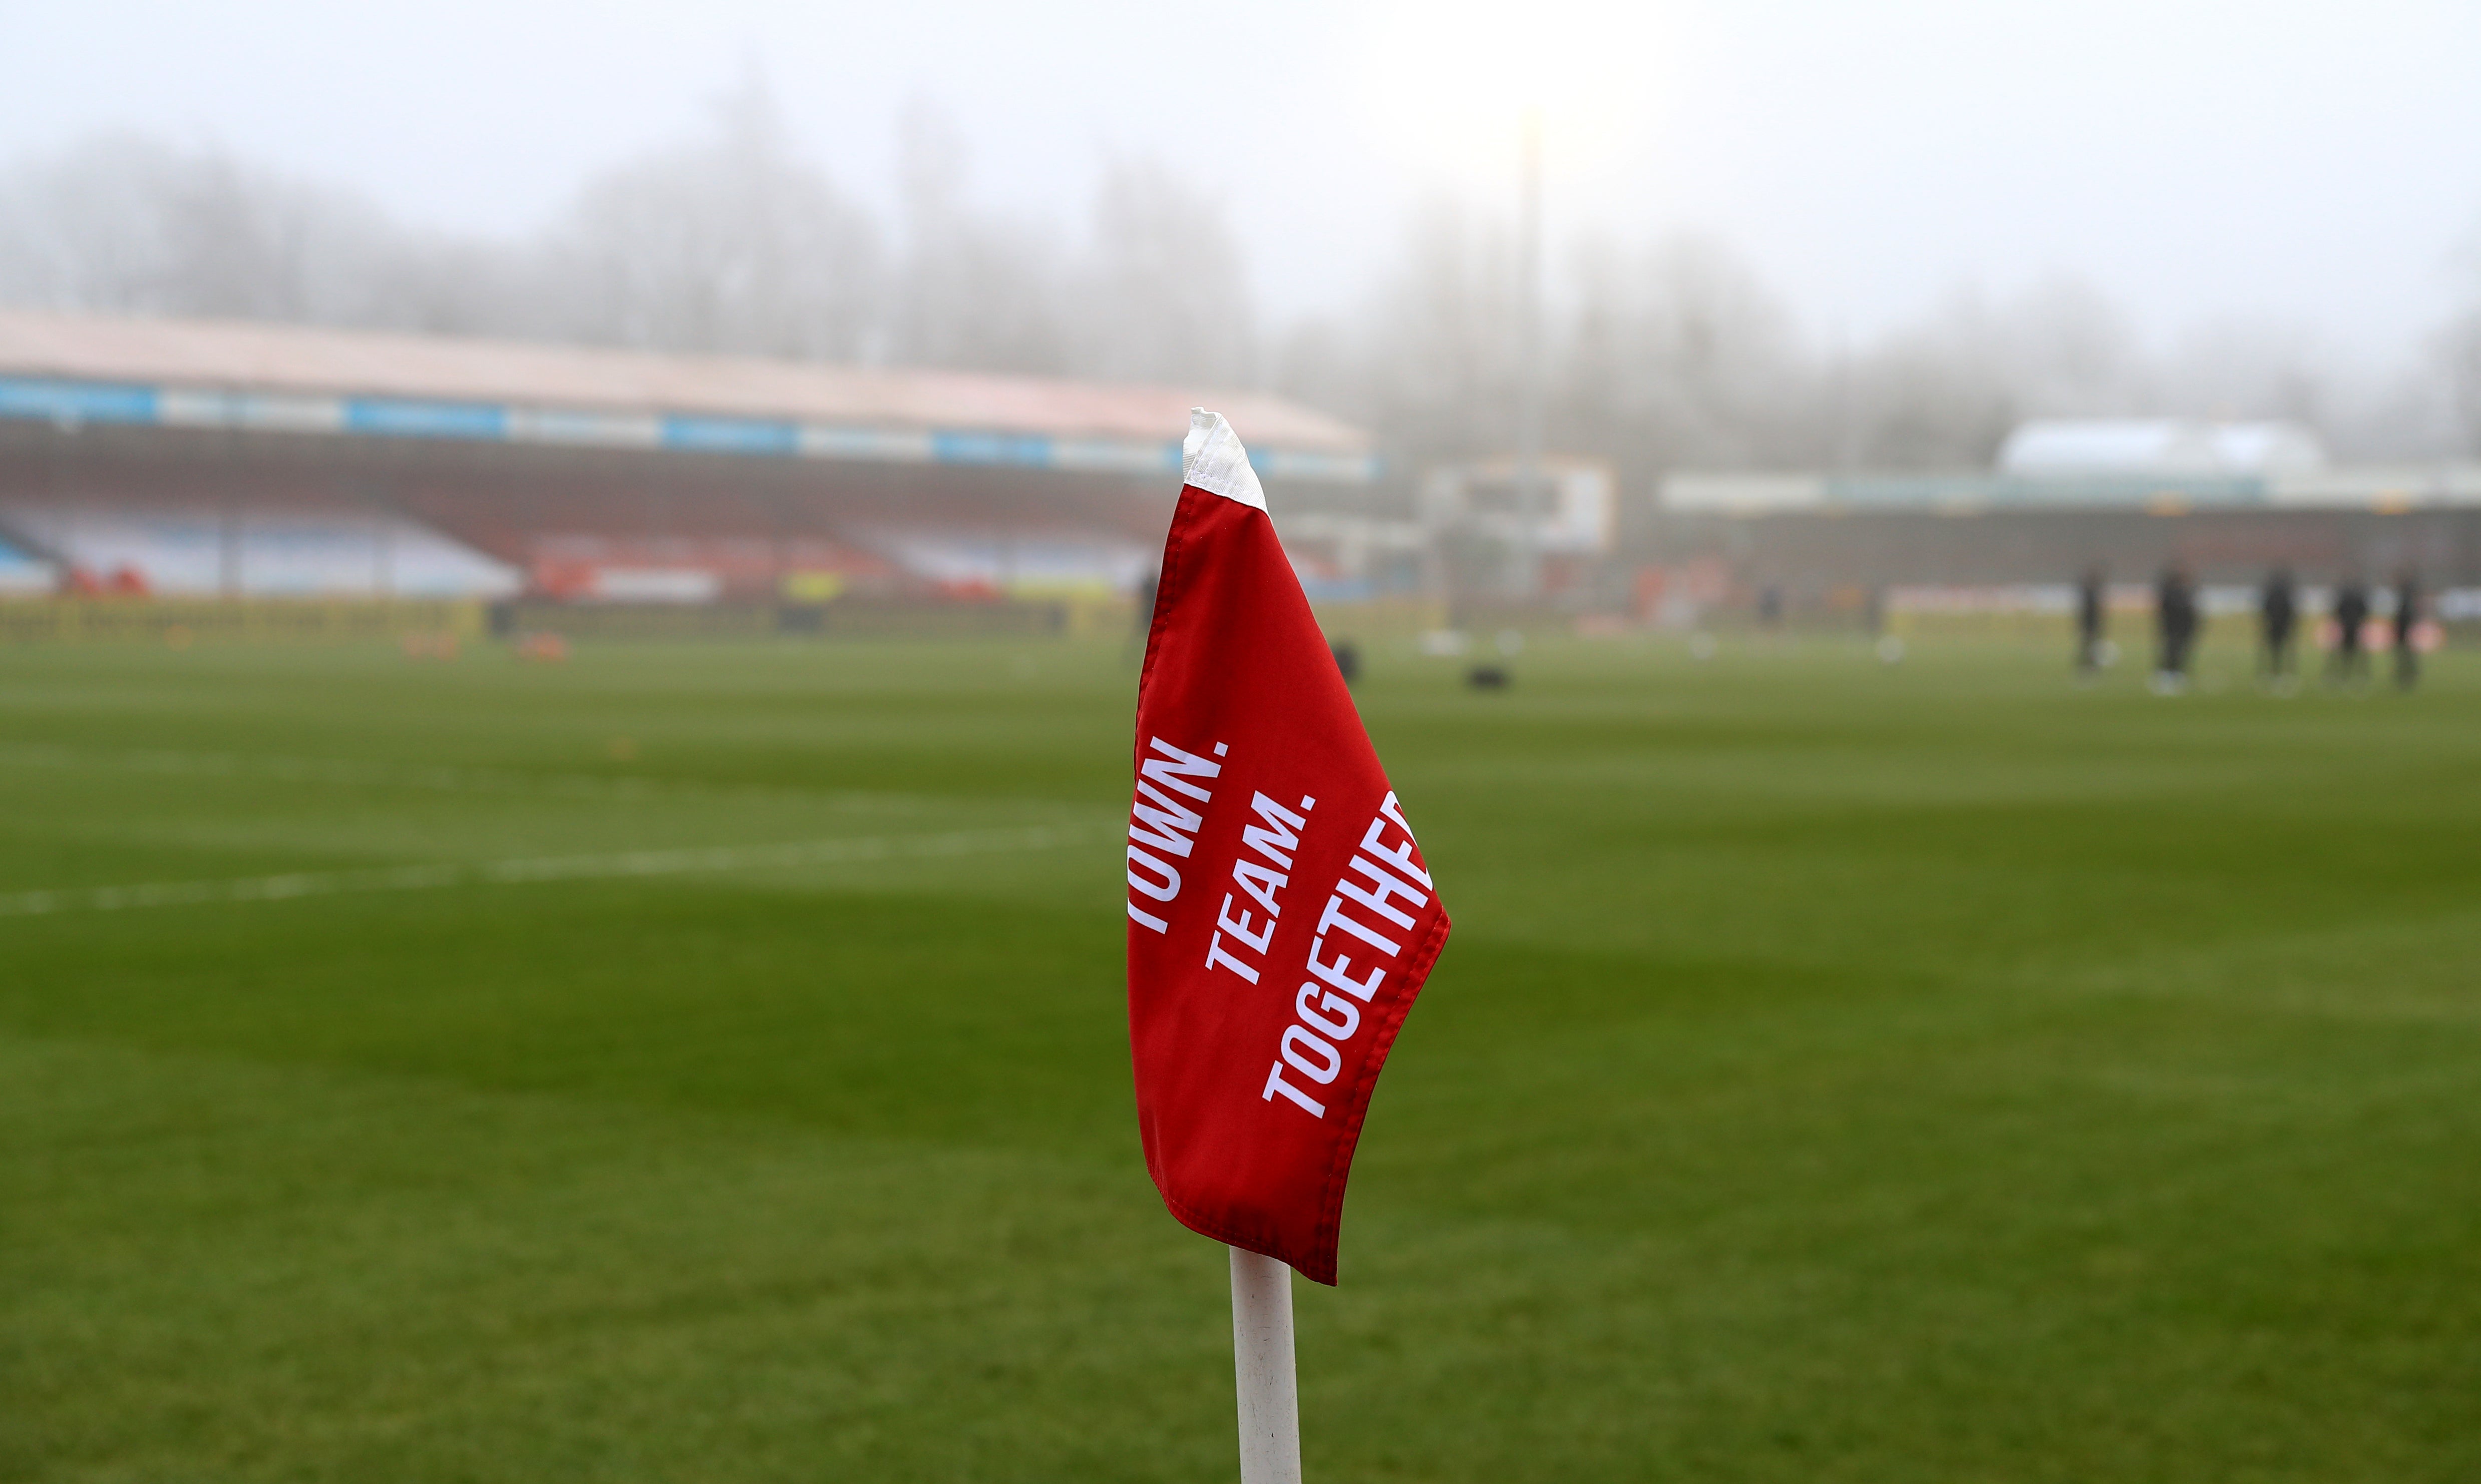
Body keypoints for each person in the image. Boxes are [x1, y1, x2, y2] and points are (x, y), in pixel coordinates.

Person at [2152, 563, 2198, 694]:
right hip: (2172, 627)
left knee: (2178, 649)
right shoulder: (2171, 593)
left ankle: (2175, 672)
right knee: (2171, 649)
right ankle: (2168, 673)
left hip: (2180, 627)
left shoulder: (2184, 592)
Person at [2259, 566, 2298, 689]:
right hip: (2282, 624)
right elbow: (2291, 610)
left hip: (2275, 624)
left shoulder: (2272, 590)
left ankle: (2273, 671)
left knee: (2274, 649)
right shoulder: (2287, 591)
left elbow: (2266, 608)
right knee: (2284, 649)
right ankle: (2285, 672)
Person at [2329, 578, 2369, 686]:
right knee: (2353, 652)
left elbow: (2338, 611)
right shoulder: (2357, 597)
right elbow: (2364, 611)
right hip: (2353, 627)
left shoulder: (2346, 597)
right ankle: (2358, 673)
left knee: (2347, 651)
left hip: (2349, 627)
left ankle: (2347, 672)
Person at [2074, 565, 2106, 678]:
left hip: (2092, 624)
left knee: (2091, 646)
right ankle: (2086, 665)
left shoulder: (2092, 592)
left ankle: (2091, 665)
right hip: (2089, 624)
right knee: (2087, 646)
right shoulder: (2089, 593)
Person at [2393, 569, 2422, 691]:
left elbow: (2404, 615)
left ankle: (2407, 674)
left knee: (2405, 653)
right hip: (2405, 627)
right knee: (2407, 653)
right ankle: (2409, 673)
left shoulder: (2405, 597)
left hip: (2404, 628)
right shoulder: (2409, 597)